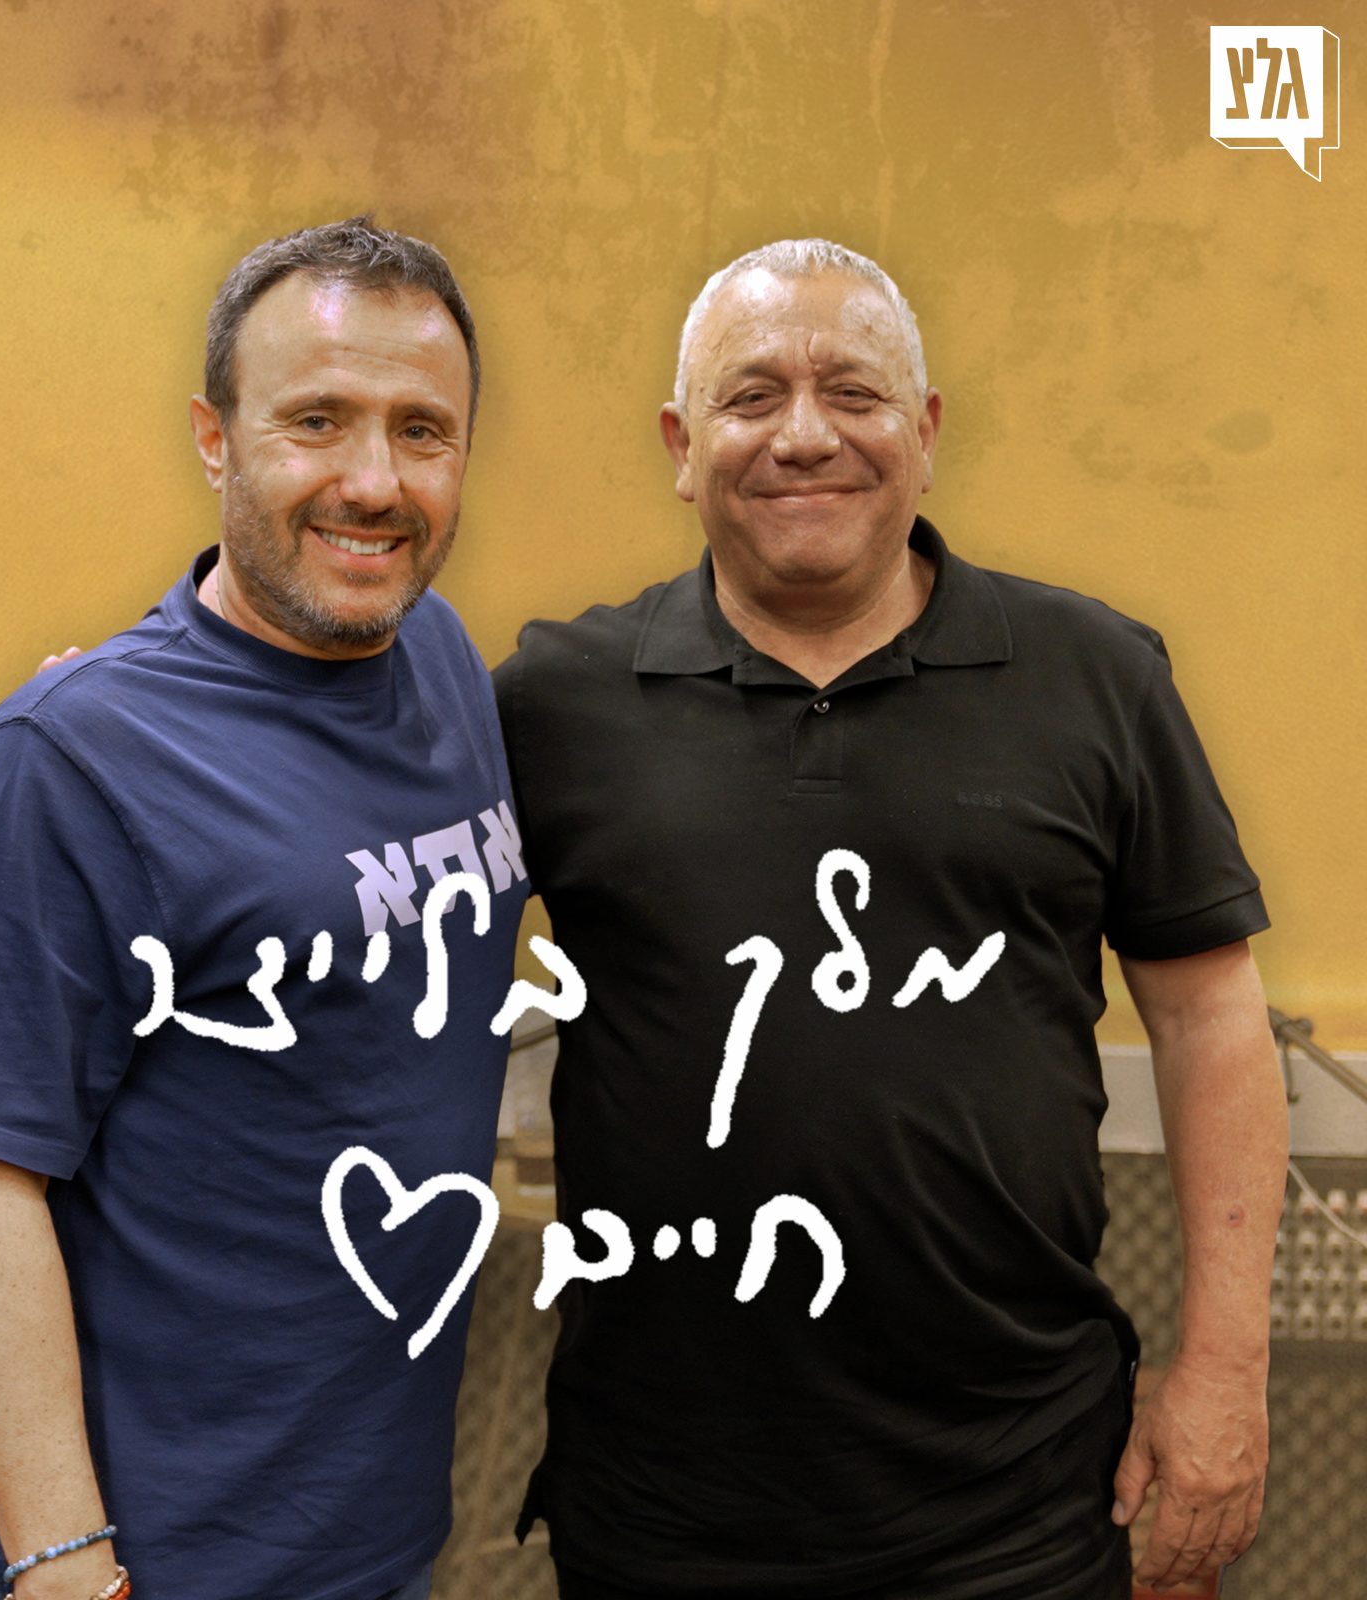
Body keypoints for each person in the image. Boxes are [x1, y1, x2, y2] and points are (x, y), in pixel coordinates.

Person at [496, 240, 1287, 1599]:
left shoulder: (1096, 675)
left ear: (923, 431)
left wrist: (1223, 1368)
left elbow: (1212, 1020)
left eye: (853, 393)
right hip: (663, 1509)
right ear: (683, 447)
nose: (805, 435)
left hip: (1019, 1503)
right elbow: (368, 901)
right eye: (752, 397)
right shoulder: (553, 701)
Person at [0, 218, 530, 1600]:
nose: (374, 481)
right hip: (152, 1565)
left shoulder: (443, 663)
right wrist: (64, 1568)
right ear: (215, 438)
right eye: (316, 420)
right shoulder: (64, 766)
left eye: (422, 430)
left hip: (372, 1538)